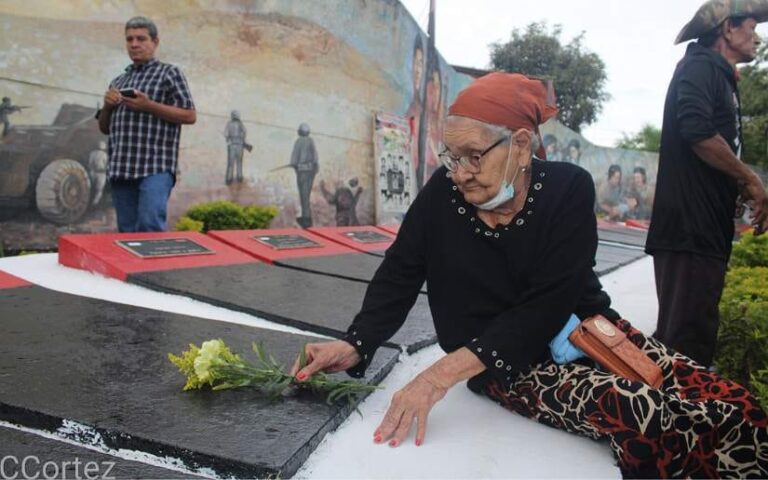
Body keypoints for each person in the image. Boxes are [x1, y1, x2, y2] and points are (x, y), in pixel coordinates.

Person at [290, 73, 768, 478]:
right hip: (503, 364)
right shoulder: (443, 194)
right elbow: (399, 272)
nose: (461, 173)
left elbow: (551, 302)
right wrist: (357, 342)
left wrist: (436, 376)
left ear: (520, 144)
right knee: (647, 414)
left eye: (475, 155)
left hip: (588, 334)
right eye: (451, 156)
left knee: (730, 401)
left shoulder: (567, 189)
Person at [646, 0, 768, 368]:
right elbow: (697, 131)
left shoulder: (718, 74)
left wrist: (735, 188)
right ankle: (674, 419)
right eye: (751, 26)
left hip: (703, 229)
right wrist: (751, 179)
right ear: (728, 29)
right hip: (689, 228)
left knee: (691, 334)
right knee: (685, 343)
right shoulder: (700, 66)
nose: (757, 37)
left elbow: (711, 146)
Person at [97, 16, 196, 232]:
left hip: (155, 167)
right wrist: (107, 107)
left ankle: (156, 268)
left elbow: (189, 115)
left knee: (150, 226)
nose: (134, 44)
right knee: (127, 233)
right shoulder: (118, 81)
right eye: (129, 39)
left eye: (141, 39)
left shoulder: (169, 73)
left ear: (155, 42)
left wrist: (148, 105)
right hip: (121, 167)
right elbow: (105, 128)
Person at [290, 122, 319, 228]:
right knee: (307, 195)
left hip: (302, 171)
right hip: (310, 171)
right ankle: (307, 217)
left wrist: (294, 164)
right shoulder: (311, 141)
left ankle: (306, 219)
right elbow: (315, 158)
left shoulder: (298, 141)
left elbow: (294, 159)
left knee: (303, 195)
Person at [224, 110, 251, 185]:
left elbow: (225, 134)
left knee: (230, 163)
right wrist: (242, 138)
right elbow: (245, 132)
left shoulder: (229, 124)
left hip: (231, 145)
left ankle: (229, 179)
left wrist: (228, 138)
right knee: (239, 162)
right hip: (240, 145)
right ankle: (239, 177)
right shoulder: (240, 124)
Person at [88, 141, 108, 206]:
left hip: (93, 172)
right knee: (99, 190)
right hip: (101, 173)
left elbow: (90, 164)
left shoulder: (92, 153)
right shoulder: (104, 155)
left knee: (92, 187)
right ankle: (94, 204)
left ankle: (91, 202)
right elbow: (106, 165)